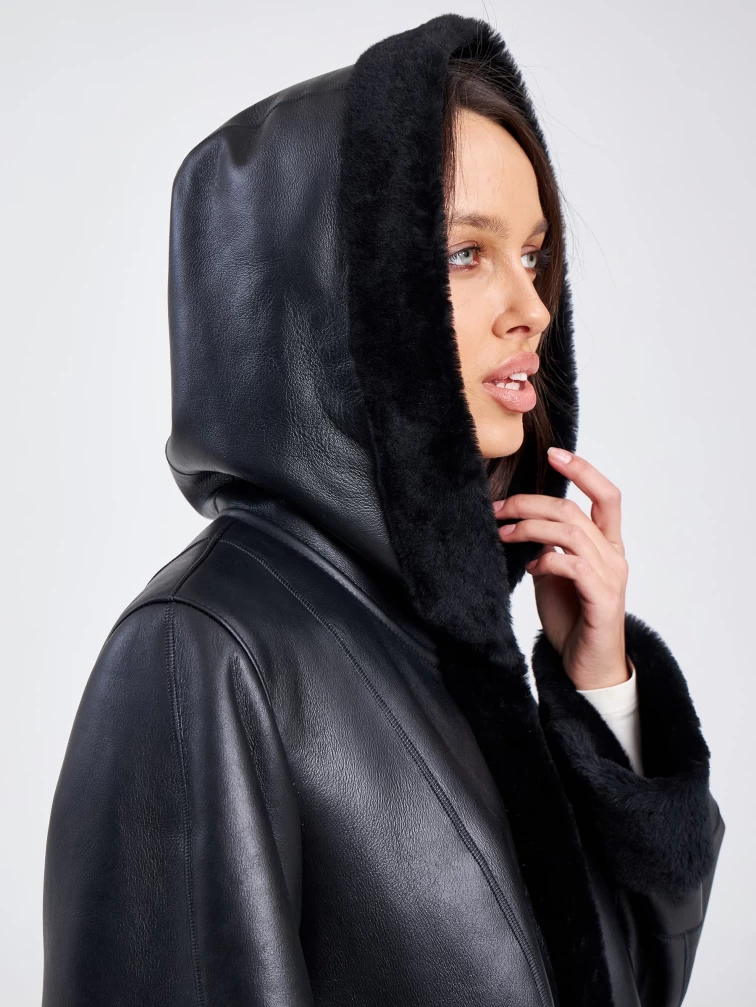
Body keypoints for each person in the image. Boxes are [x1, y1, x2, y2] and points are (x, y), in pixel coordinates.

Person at [41, 13, 724, 1007]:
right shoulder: (202, 652)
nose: (532, 307)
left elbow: (632, 986)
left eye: (534, 254)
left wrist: (602, 684)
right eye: (465, 254)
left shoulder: (463, 655)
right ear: (328, 292)